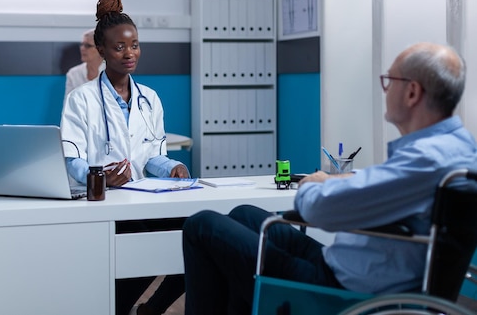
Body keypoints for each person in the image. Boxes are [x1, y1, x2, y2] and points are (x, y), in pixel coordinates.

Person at [182, 42, 477, 315]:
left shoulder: (425, 160)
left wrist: (314, 183)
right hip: (348, 266)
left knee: (202, 226)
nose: (385, 90)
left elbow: (318, 210)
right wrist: (345, 179)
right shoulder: (455, 148)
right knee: (244, 215)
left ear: (412, 92)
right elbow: (389, 182)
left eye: (390, 81)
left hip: (342, 291)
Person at [60, 0, 189, 315]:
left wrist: (172, 166)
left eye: (135, 45)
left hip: (142, 197)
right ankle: (115, 307)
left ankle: (152, 308)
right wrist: (99, 175)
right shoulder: (81, 99)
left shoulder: (150, 99)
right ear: (102, 51)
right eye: (119, 47)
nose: (129, 53)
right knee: (144, 245)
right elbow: (70, 158)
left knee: (196, 235)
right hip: (102, 202)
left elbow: (152, 157)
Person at [64, 28, 105, 98]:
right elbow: (68, 105)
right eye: (82, 45)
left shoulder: (114, 73)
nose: (82, 48)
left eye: (87, 45)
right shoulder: (73, 74)